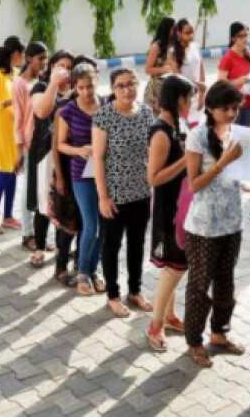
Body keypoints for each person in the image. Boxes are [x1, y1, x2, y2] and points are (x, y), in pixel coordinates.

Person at [184, 80, 247, 368]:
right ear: (210, 108)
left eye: (235, 108)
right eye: (226, 109)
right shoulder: (197, 136)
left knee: (226, 283)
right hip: (204, 226)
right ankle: (194, 341)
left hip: (232, 221)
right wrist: (223, 162)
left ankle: (220, 333)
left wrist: (249, 164)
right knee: (200, 286)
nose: (232, 113)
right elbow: (194, 184)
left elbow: (237, 174)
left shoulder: (236, 133)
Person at [93, 68, 154, 317]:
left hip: (141, 192)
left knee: (137, 245)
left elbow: (151, 151)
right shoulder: (104, 115)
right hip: (114, 195)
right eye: (121, 85)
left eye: (131, 84)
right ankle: (113, 295)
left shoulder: (146, 112)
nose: (127, 89)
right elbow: (98, 158)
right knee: (111, 246)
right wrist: (103, 197)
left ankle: (135, 290)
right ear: (113, 89)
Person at [145, 74, 195, 351]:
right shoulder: (161, 132)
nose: (191, 104)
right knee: (175, 267)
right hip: (168, 209)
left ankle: (170, 315)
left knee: (174, 266)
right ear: (178, 99)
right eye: (189, 99)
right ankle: (155, 325)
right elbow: (153, 177)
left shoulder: (177, 125)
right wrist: (186, 160)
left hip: (180, 204)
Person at [29, 51, 77, 281]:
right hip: (45, 153)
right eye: (60, 65)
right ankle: (39, 246)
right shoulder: (41, 87)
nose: (65, 70)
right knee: (43, 202)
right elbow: (41, 111)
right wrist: (53, 84)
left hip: (69, 155)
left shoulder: (77, 91)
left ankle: (61, 250)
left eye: (69, 66)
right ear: (51, 67)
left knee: (64, 200)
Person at [58, 63, 105, 295]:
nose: (86, 92)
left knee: (104, 226)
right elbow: (60, 145)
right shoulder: (68, 111)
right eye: (81, 88)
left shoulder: (107, 104)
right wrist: (79, 150)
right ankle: (83, 274)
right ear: (75, 87)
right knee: (91, 225)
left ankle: (94, 270)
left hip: (105, 173)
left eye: (90, 86)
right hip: (81, 174)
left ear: (97, 82)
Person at [12, 42, 50, 254]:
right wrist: (19, 150)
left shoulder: (43, 81)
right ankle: (27, 233)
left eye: (46, 58)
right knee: (29, 189)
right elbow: (18, 119)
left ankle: (40, 235)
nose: (44, 62)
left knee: (43, 190)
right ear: (28, 58)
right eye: (40, 58)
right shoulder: (19, 84)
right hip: (29, 142)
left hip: (45, 141)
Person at [0, 36, 25, 234]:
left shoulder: (15, 74)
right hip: (0, 131)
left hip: (14, 130)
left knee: (13, 172)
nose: (23, 58)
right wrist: (8, 103)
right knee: (3, 174)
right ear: (15, 54)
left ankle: (8, 216)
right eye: (22, 54)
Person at [218, 22, 250, 127]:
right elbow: (221, 84)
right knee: (234, 135)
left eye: (246, 35)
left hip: (249, 102)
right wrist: (238, 81)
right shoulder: (228, 58)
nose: (245, 39)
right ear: (233, 38)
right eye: (241, 36)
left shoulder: (248, 54)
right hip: (233, 105)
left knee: (247, 134)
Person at [166, 18, 205, 127]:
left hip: (198, 93)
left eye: (192, 32)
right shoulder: (173, 52)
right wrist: (185, 99)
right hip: (183, 97)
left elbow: (201, 69)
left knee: (198, 126)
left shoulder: (196, 46)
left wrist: (202, 94)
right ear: (179, 33)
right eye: (187, 33)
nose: (191, 35)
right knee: (186, 128)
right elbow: (177, 77)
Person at [144, 17, 175, 114]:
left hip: (171, 89)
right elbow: (147, 69)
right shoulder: (156, 47)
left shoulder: (174, 45)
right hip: (156, 91)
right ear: (167, 29)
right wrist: (164, 69)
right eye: (173, 28)